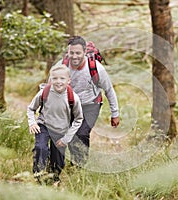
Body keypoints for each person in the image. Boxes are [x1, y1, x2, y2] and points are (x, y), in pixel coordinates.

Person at [53, 36, 120, 167]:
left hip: (91, 105)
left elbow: (109, 90)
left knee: (82, 133)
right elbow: (50, 87)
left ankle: (80, 167)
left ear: (84, 52)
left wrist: (115, 113)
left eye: (78, 53)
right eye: (71, 53)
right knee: (71, 134)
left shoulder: (96, 68)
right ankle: (74, 162)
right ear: (68, 52)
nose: (74, 56)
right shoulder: (61, 66)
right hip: (69, 105)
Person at [27, 64, 83, 184]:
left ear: (68, 80)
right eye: (55, 78)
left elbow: (78, 119)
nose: (58, 81)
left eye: (62, 78)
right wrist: (32, 123)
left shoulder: (73, 98)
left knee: (58, 159)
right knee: (40, 148)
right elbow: (31, 108)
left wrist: (67, 138)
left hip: (61, 130)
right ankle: (38, 176)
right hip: (44, 125)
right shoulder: (44, 93)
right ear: (50, 79)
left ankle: (54, 177)